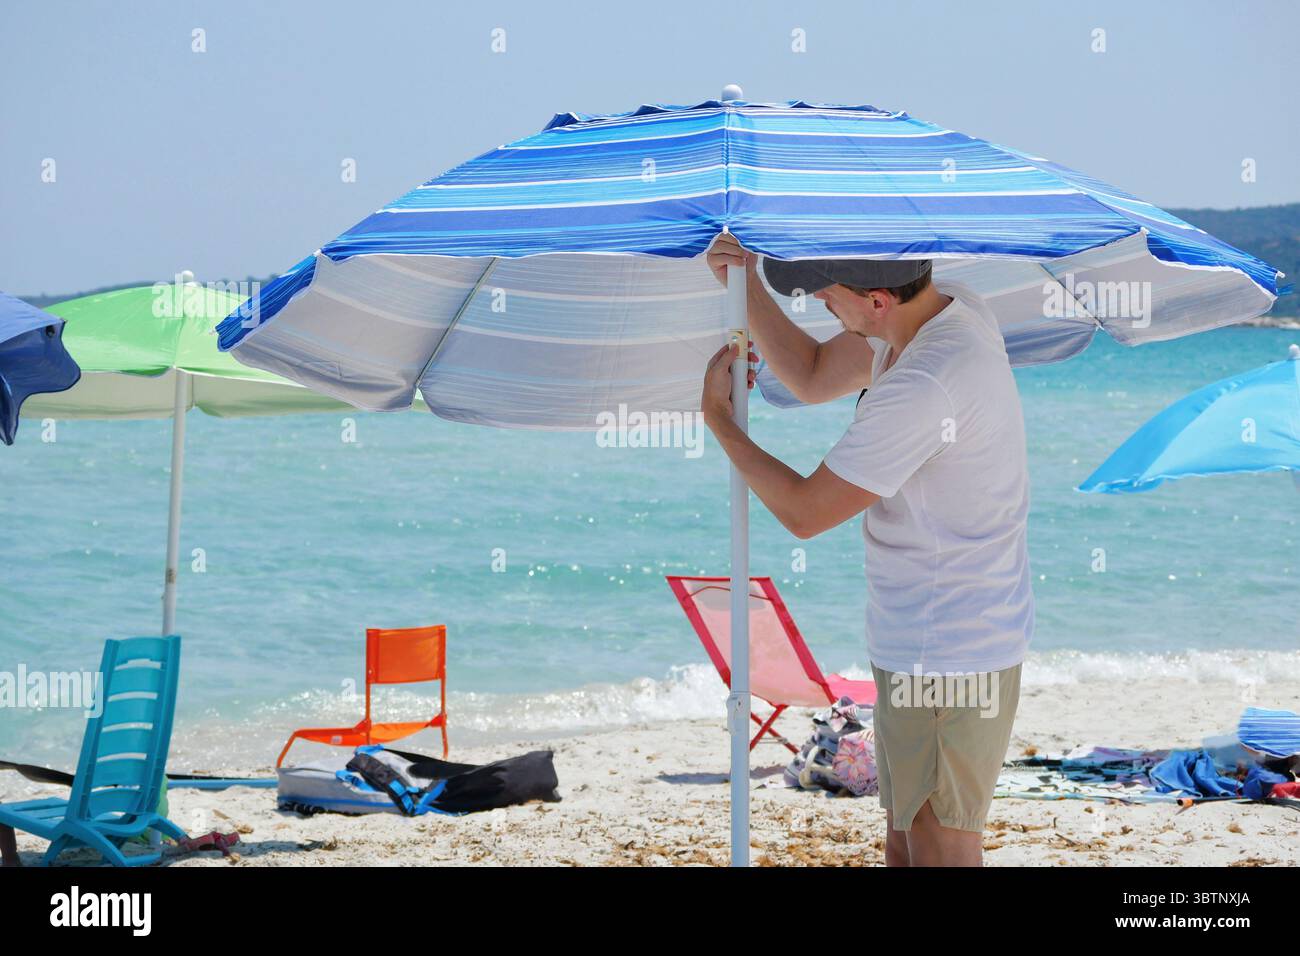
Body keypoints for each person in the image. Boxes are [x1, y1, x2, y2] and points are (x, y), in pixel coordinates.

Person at [700, 235, 1034, 867]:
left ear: (878, 300)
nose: (820, 298)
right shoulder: (945, 306)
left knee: (941, 844)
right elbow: (812, 375)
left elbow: (804, 512)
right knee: (905, 838)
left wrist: (718, 418)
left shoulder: (924, 386)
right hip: (921, 637)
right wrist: (743, 282)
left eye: (829, 288)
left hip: (951, 648)